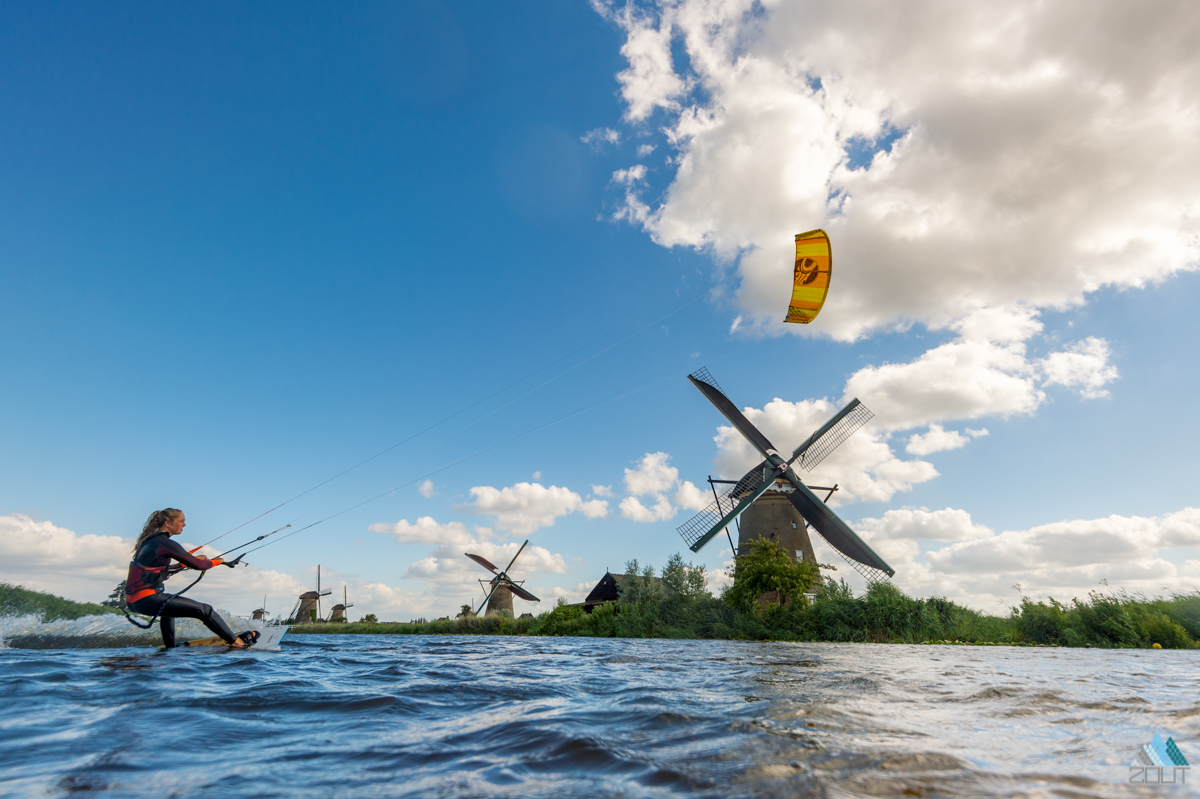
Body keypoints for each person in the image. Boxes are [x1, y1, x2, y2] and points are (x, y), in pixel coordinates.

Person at [125, 508, 257, 649]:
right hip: (147, 598)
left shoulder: (150, 541)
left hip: (134, 600)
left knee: (168, 611)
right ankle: (238, 643)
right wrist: (218, 561)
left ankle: (170, 648)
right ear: (168, 523)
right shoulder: (165, 543)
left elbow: (158, 567)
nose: (184, 524)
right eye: (181, 521)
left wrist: (188, 561)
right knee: (205, 610)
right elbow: (199, 565)